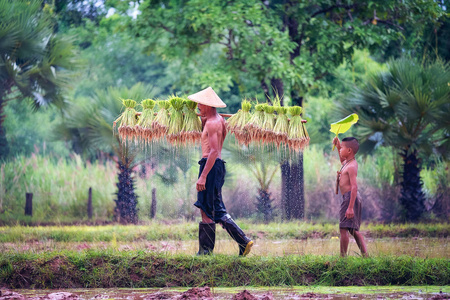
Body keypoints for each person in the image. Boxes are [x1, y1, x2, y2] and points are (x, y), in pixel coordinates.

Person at [188, 87, 254, 256]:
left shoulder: (212, 123)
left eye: (200, 104)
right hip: (215, 167)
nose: (198, 106)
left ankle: (206, 251)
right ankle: (243, 241)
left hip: (210, 166)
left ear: (209, 105)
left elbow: (214, 151)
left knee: (206, 207)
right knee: (215, 208)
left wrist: (203, 176)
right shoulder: (216, 120)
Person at [332, 136, 368, 257]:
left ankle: (343, 257)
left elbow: (354, 187)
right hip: (349, 198)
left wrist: (350, 207)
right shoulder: (347, 163)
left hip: (350, 198)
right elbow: (342, 161)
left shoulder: (352, 166)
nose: (340, 150)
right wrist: (338, 146)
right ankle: (365, 256)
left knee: (343, 229)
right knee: (353, 230)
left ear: (349, 151)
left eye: (342, 148)